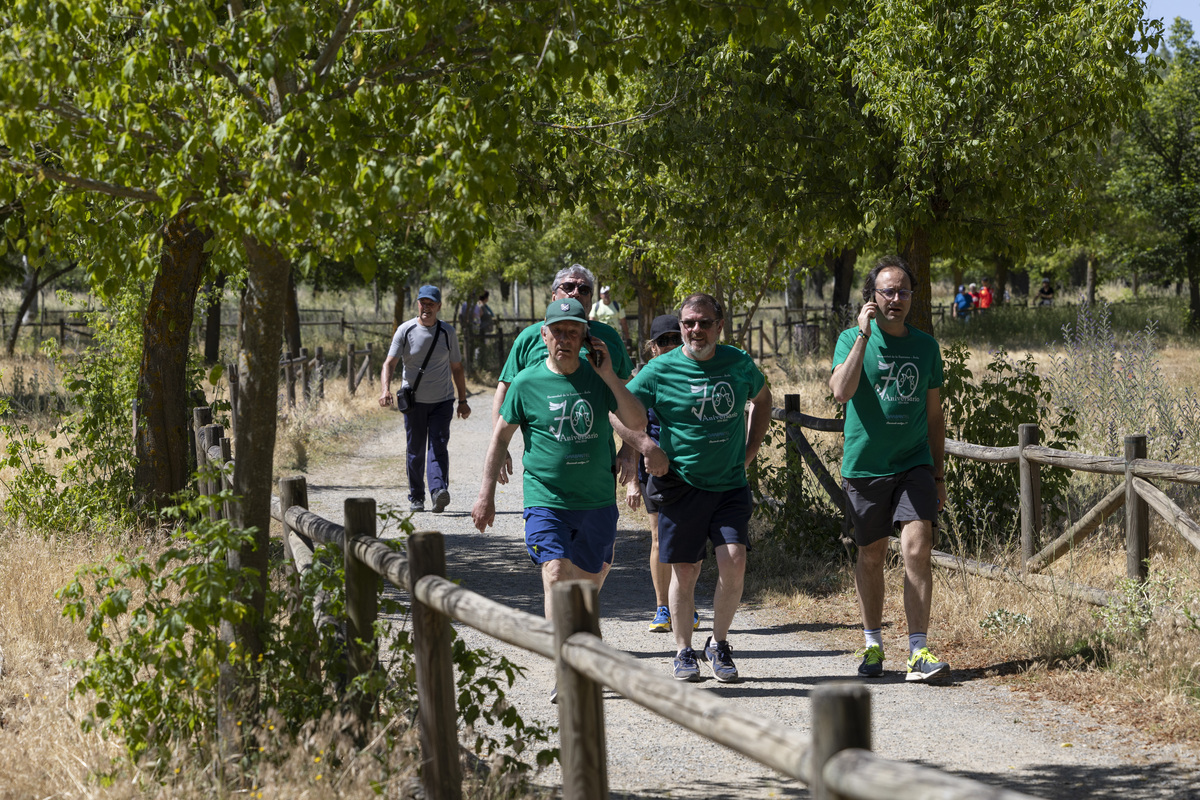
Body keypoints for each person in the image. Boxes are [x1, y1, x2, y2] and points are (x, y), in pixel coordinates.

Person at [472, 298, 659, 641]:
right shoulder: (527, 383)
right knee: (556, 573)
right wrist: (486, 494)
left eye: (573, 332)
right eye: (558, 331)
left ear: (585, 337)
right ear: (544, 335)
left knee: (588, 585)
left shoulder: (601, 378)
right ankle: (566, 663)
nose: (565, 339)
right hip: (546, 498)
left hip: (596, 500)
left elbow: (637, 421)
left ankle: (581, 642)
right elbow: (500, 438)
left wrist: (609, 375)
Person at [628, 293, 772, 683]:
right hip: (682, 486)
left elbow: (762, 399)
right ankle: (683, 650)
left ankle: (719, 644)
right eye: (688, 323)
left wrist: (750, 450)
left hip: (729, 485)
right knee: (687, 569)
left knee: (735, 561)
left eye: (704, 322)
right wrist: (646, 446)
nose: (695, 330)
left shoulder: (738, 363)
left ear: (718, 325)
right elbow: (616, 409)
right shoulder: (660, 370)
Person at [829, 255, 950, 684]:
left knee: (917, 547)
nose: (896, 299)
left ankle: (918, 651)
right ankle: (873, 643)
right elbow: (841, 392)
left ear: (913, 297)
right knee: (872, 554)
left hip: (913, 462)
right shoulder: (850, 339)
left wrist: (937, 475)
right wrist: (863, 336)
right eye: (887, 291)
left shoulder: (925, 346)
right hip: (865, 466)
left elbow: (935, 417)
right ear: (872, 298)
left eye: (903, 291)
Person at [491, 265, 641, 493]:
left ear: (591, 300)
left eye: (584, 289)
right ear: (553, 296)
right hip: (545, 474)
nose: (576, 292)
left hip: (597, 470)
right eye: (568, 286)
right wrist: (500, 448)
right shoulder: (529, 338)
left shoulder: (608, 337)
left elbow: (630, 393)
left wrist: (631, 448)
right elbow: (504, 391)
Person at [624, 315, 700, 634]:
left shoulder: (692, 373)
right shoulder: (645, 378)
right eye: (663, 341)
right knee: (658, 538)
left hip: (690, 470)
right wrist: (631, 477)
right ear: (652, 347)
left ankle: (688, 606)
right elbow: (629, 423)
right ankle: (662, 609)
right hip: (652, 468)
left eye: (674, 338)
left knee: (690, 541)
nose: (669, 345)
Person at [379, 285, 471, 512]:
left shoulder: (447, 332)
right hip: (413, 402)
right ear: (417, 304)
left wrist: (462, 400)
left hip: (442, 401)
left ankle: (438, 491)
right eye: (423, 303)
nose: (426, 307)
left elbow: (457, 368)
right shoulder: (405, 330)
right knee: (416, 449)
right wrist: (385, 390)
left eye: (431, 304)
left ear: (439, 306)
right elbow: (389, 363)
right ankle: (416, 496)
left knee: (438, 446)